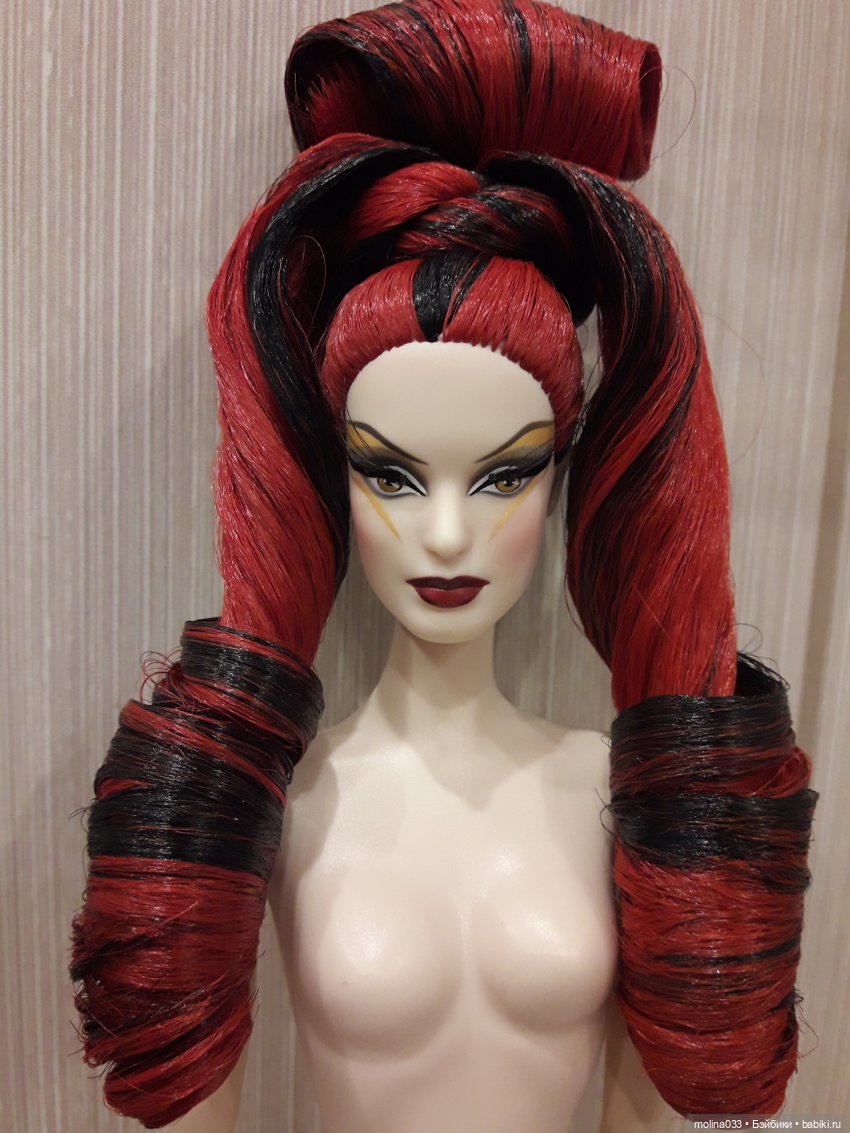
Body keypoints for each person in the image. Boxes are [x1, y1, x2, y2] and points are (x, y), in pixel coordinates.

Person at [69, 2, 816, 1130]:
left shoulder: (615, 787)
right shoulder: (273, 797)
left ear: (564, 477)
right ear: (336, 480)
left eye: (504, 475)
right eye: (394, 475)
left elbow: (650, 1107)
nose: (451, 535)